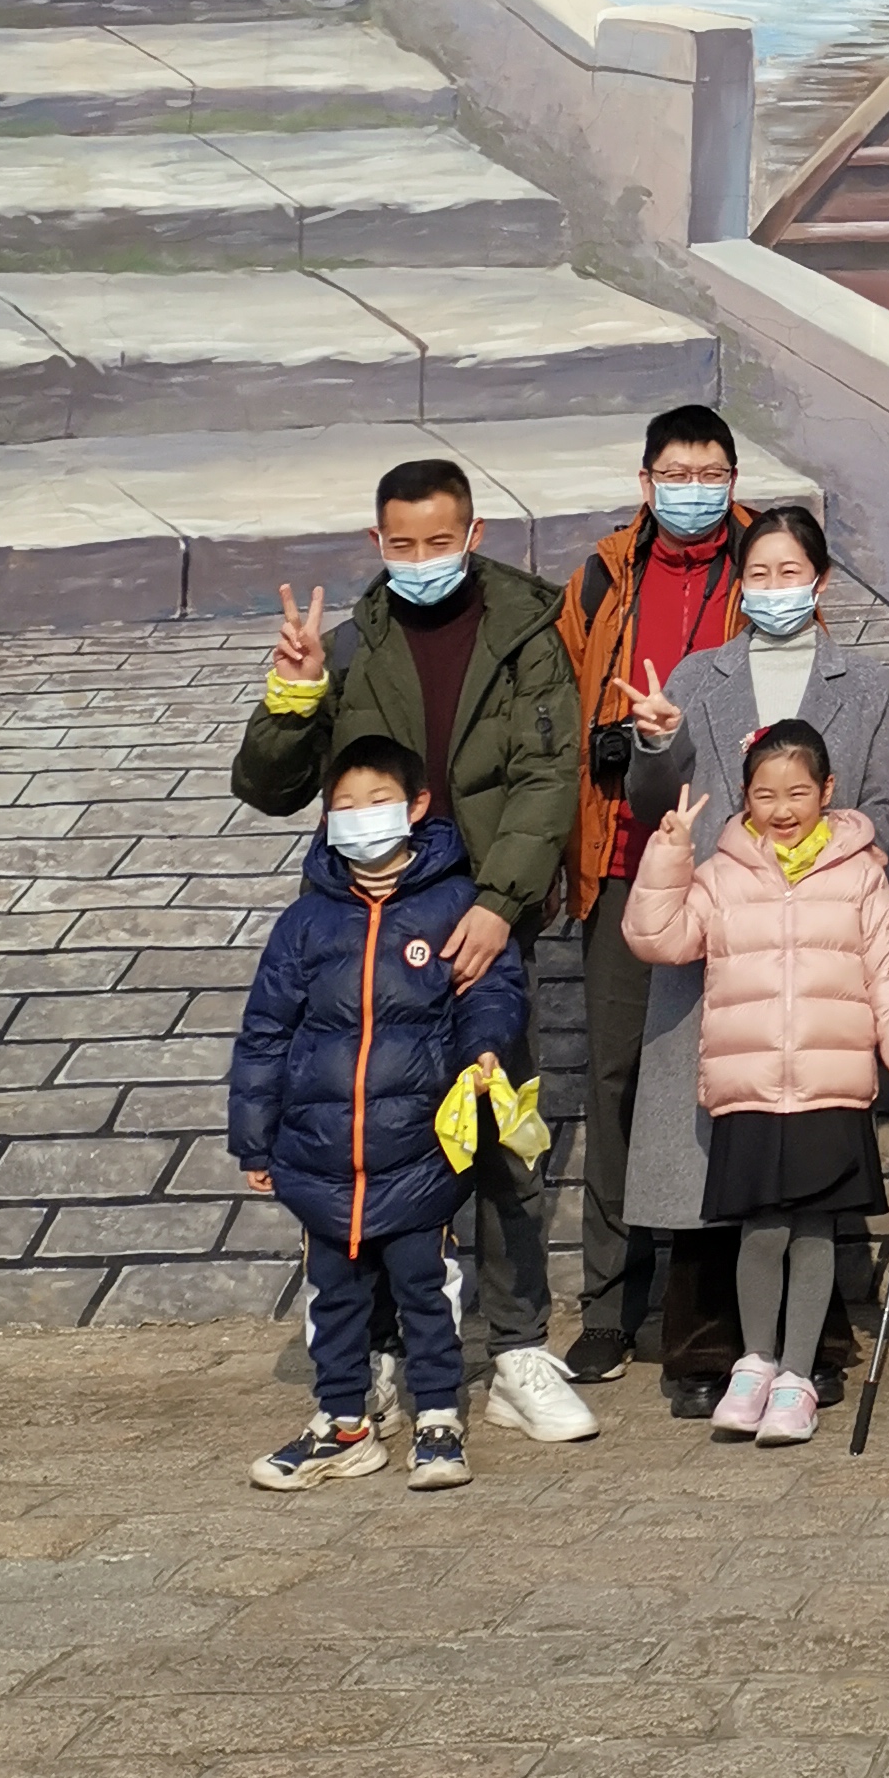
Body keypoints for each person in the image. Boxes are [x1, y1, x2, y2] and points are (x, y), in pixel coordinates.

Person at [233, 458, 598, 1449]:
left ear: (474, 534)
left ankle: (516, 1348)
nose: (423, 558)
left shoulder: (526, 632)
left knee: (500, 1134)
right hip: (369, 925)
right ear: (377, 542)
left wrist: (499, 904)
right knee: (376, 1133)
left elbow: (546, 774)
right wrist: (294, 694)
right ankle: (382, 1349)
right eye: (404, 543)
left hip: (482, 925)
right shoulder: (354, 644)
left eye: (441, 541)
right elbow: (270, 786)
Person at [614, 506, 889, 1410]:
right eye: (759, 573)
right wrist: (657, 743)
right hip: (716, 933)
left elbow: (888, 807)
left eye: (791, 572)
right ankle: (710, 1352)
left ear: (821, 582)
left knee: (806, 1172)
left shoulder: (868, 684)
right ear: (739, 583)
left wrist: (835, 869)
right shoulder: (697, 675)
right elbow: (658, 805)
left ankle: (810, 1355)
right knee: (708, 1156)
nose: (774, 587)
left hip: (815, 943)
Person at [623, 717, 889, 1451]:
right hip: (751, 1087)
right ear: (745, 797)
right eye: (765, 795)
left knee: (815, 1232)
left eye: (798, 792)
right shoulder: (720, 873)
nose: (783, 808)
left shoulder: (861, 874)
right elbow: (658, 938)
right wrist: (668, 853)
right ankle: (755, 1365)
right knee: (760, 1232)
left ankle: (797, 1377)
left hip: (830, 1084)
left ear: (828, 790)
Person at [231, 738, 529, 1493]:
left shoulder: (456, 905)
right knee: (333, 1298)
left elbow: (491, 991)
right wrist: (254, 1141)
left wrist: (486, 1048)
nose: (361, 818)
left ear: (417, 806)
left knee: (427, 1290)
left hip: (419, 1151)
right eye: (345, 806)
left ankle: (438, 1419)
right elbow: (265, 1033)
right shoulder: (305, 922)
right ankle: (343, 1423)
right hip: (321, 1155)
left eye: (378, 802)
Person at [554, 402, 754, 1395]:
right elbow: (561, 697)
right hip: (625, 860)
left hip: (732, 866)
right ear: (645, 481)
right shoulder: (601, 575)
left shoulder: (764, 563)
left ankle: (720, 1307)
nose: (693, 489)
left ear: (734, 478)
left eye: (711, 472)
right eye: (676, 473)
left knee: (732, 1079)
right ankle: (609, 1304)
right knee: (620, 1081)